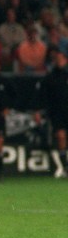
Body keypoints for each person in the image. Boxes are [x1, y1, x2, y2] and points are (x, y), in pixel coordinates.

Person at [35, 49, 68, 178]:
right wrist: (37, 110)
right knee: (61, 137)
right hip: (57, 112)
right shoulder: (49, 78)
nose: (59, 61)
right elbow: (41, 96)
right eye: (57, 59)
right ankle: (64, 166)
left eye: (62, 59)